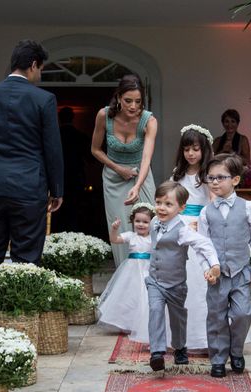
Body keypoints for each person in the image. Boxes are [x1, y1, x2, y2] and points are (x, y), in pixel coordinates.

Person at [0, 39, 64, 266]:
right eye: (40, 68)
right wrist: (57, 188)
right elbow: (52, 148)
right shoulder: (44, 99)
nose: (39, 74)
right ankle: (24, 302)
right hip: (30, 185)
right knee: (27, 257)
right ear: (33, 65)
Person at [199, 153, 251, 378]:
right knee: (216, 316)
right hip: (217, 274)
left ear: (235, 180)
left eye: (221, 177)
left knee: (243, 314)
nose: (215, 182)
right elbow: (202, 245)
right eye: (211, 178)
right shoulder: (205, 212)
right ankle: (218, 358)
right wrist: (207, 268)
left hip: (240, 271)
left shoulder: (248, 207)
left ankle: (236, 351)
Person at [146, 181, 220, 372]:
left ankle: (180, 347)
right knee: (155, 311)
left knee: (177, 318)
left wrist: (214, 264)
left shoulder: (183, 230)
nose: (162, 208)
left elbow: (203, 244)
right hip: (154, 280)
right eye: (159, 202)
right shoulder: (154, 222)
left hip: (176, 284)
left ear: (181, 208)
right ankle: (157, 353)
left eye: (168, 204)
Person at [91, 74, 157, 266]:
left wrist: (137, 186)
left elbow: (146, 158)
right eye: (128, 101)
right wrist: (118, 168)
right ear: (118, 97)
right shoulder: (104, 116)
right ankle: (125, 274)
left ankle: (148, 278)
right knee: (119, 227)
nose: (133, 106)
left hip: (141, 177)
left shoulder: (149, 121)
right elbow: (95, 150)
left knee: (147, 224)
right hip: (113, 178)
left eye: (138, 101)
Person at [171, 124, 214, 349]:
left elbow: (213, 203)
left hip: (200, 228)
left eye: (195, 149)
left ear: (204, 149)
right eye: (187, 149)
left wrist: (203, 222)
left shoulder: (207, 176)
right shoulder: (177, 174)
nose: (191, 153)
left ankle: (203, 337)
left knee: (200, 281)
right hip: (180, 227)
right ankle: (178, 334)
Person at [97, 203, 155, 342]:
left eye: (145, 222)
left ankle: (144, 323)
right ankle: (127, 323)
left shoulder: (153, 237)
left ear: (152, 222)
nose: (141, 224)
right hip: (131, 270)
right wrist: (114, 229)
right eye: (138, 221)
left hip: (148, 269)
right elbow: (114, 240)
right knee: (130, 295)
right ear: (132, 221)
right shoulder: (131, 236)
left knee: (145, 296)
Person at [52, 106, 89, 233]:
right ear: (72, 118)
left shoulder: (55, 136)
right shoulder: (80, 136)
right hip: (76, 178)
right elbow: (90, 158)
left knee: (56, 211)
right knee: (74, 210)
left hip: (58, 179)